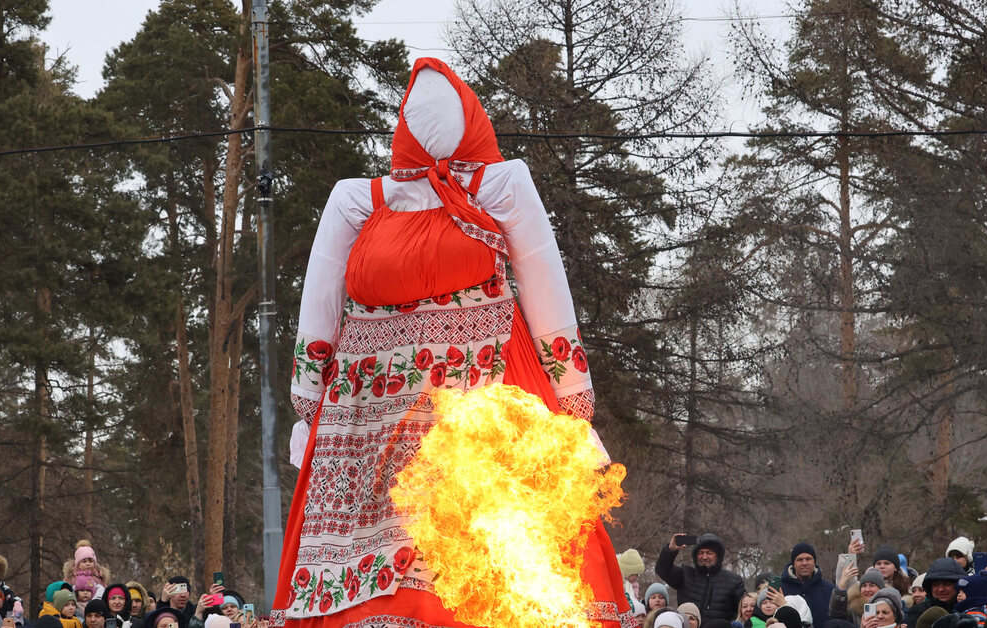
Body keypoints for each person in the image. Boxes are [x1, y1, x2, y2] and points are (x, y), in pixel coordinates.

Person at [270, 57, 630, 628]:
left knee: (377, 541)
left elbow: (317, 320)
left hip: (365, 413)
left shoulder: (354, 198)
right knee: (512, 554)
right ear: (474, 121)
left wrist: (310, 408)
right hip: (484, 388)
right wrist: (572, 404)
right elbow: (547, 295)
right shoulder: (501, 183)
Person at [658, 534, 747, 622]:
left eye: (709, 553)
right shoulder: (685, 574)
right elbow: (662, 569)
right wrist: (670, 550)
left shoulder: (734, 581)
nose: (704, 557)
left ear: (718, 556)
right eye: (700, 553)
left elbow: (744, 611)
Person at [782, 543, 836, 628]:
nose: (804, 563)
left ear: (814, 562)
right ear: (793, 564)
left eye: (808, 559)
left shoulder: (830, 590)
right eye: (799, 559)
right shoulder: (780, 589)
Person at [906, 558, 967, 628]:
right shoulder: (918, 612)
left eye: (946, 584)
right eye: (935, 585)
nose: (940, 589)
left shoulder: (969, 610)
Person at [620, 550, 648, 618]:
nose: (636, 577)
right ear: (627, 571)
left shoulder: (634, 586)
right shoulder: (619, 584)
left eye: (637, 574)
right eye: (634, 573)